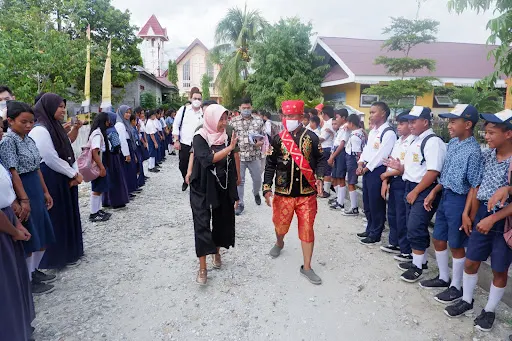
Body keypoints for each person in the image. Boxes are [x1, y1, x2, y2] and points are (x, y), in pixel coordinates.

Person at [444, 109, 512, 332]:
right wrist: (468, 213)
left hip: (504, 220)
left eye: (492, 133)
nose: (488, 137)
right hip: (482, 213)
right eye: (486, 132)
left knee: (499, 269)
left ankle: (490, 310)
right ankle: (466, 299)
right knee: (472, 260)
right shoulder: (487, 155)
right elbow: (476, 186)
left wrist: (493, 219)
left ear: (508, 134)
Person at [418, 105, 482, 304]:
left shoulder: (473, 151)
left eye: (454, 121)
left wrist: (467, 213)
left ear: (468, 124)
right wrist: (434, 192)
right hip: (446, 196)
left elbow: (474, 186)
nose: (449, 125)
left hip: (460, 201)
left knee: (456, 244)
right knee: (438, 238)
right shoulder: (453, 143)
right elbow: (445, 175)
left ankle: (456, 285)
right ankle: (444, 277)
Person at [264, 100, 325, 285]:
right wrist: (267, 187)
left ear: (301, 117)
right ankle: (279, 242)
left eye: (291, 116)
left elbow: (322, 160)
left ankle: (307, 267)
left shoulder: (312, 138)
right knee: (280, 225)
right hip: (283, 192)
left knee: (307, 229)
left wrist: (320, 177)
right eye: (286, 116)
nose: (288, 119)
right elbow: (270, 165)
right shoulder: (277, 138)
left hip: (306, 194)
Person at [385, 106, 447, 282]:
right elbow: (416, 166)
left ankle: (417, 267)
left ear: (425, 122)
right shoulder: (416, 140)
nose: (410, 125)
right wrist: (400, 168)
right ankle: (421, 260)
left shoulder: (433, 142)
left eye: (414, 121)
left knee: (415, 226)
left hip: (423, 188)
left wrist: (416, 191)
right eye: (409, 121)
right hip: (410, 185)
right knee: (411, 224)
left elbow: (433, 171)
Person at [0, 101, 56, 294]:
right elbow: (13, 172)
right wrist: (23, 199)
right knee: (30, 236)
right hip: (23, 188)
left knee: (42, 232)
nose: (28, 126)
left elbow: (37, 167)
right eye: (23, 122)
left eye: (31, 122)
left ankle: (34, 271)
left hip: (35, 186)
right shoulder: (8, 141)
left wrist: (45, 191)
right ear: (10, 121)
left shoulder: (29, 139)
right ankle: (28, 279)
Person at [29, 93, 84, 269]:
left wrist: (74, 171)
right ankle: (53, 259)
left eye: (63, 106)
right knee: (57, 217)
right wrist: (72, 174)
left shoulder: (54, 127)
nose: (63, 110)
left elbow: (66, 146)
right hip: (52, 176)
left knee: (66, 214)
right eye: (60, 106)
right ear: (49, 107)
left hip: (62, 175)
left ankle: (69, 252)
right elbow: (50, 157)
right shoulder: (40, 129)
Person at [190, 104, 239, 285]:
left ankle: (216, 252)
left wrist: (234, 192)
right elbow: (206, 159)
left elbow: (232, 164)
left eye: (226, 119)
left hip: (222, 183)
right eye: (221, 119)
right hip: (201, 185)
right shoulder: (199, 136)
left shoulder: (227, 137)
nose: (224, 123)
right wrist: (230, 148)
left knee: (221, 220)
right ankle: (202, 268)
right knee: (201, 223)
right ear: (211, 118)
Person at [0, 161, 35, 341]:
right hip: (3, 228)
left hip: (8, 219)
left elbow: (5, 196)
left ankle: (20, 328)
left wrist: (17, 223)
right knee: (5, 284)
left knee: (14, 280)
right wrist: (14, 231)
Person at [357, 102, 397, 245]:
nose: (371, 115)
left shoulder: (388, 133)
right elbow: (367, 150)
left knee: (376, 203)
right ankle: (369, 228)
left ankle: (376, 233)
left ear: (383, 114)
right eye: (371, 112)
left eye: (374, 112)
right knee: (367, 202)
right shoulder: (374, 131)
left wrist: (366, 168)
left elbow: (382, 156)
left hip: (377, 170)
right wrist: (360, 163)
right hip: (367, 169)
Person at [379, 112, 414, 261]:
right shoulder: (399, 141)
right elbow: (390, 162)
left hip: (403, 180)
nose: (398, 127)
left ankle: (406, 249)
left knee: (401, 216)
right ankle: (394, 242)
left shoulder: (412, 142)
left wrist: (386, 176)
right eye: (398, 124)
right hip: (393, 179)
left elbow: (405, 166)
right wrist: (385, 181)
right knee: (392, 213)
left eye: (401, 124)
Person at [230, 97, 265, 215]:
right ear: (239, 108)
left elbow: (263, 136)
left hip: (254, 155)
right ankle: (239, 203)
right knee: (240, 180)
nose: (246, 110)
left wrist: (261, 143)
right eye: (243, 108)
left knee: (257, 179)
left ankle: (256, 193)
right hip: (239, 156)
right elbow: (230, 137)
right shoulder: (233, 121)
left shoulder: (259, 121)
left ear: (251, 107)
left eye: (248, 108)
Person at [173, 88, 204, 191]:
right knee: (182, 164)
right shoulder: (183, 110)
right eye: (195, 98)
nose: (197, 100)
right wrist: (176, 140)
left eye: (199, 99)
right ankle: (185, 179)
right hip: (185, 143)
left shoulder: (204, 112)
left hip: (199, 144)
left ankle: (195, 182)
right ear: (190, 98)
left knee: (198, 165)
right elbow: (176, 125)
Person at [87, 112, 112, 222]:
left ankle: (97, 210)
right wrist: (101, 167)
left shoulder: (99, 132)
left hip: (101, 163)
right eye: (108, 120)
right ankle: (93, 213)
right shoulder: (97, 134)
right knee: (96, 189)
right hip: (98, 165)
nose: (109, 123)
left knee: (100, 188)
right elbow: (95, 152)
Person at [102, 111, 130, 209]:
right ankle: (117, 201)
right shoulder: (112, 131)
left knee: (108, 179)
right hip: (113, 157)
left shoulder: (103, 130)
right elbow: (117, 144)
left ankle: (106, 200)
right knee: (116, 179)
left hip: (106, 157)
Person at [342, 114, 365, 216]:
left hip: (353, 160)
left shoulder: (355, 136)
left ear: (351, 123)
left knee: (351, 183)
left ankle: (354, 207)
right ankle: (353, 206)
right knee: (351, 182)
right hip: (352, 159)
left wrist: (358, 166)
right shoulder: (360, 133)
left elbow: (357, 152)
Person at [328, 109, 350, 210]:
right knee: (336, 177)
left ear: (343, 118)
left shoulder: (346, 128)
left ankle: (341, 203)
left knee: (341, 178)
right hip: (336, 151)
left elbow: (342, 144)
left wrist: (333, 156)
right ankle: (338, 199)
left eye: (337, 117)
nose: (336, 119)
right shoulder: (341, 128)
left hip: (341, 152)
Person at [115, 105, 139, 195]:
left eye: (129, 112)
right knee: (126, 170)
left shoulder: (126, 123)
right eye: (126, 112)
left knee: (130, 169)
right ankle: (126, 191)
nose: (128, 115)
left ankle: (130, 189)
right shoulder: (120, 124)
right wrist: (126, 154)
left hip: (129, 147)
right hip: (125, 149)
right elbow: (122, 140)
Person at [318, 105, 335, 198]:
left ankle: (326, 191)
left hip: (326, 148)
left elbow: (323, 138)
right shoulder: (328, 123)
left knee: (327, 170)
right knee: (326, 170)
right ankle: (325, 189)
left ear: (325, 114)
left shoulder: (328, 123)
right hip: (326, 147)